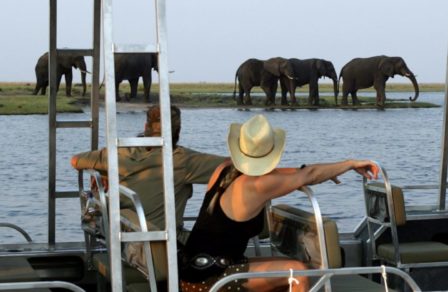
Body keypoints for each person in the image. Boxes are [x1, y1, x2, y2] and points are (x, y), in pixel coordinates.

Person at [179, 114, 379, 292]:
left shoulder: (223, 169)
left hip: (194, 270)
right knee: (298, 272)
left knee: (287, 265)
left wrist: (328, 171)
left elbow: (296, 173)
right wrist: (350, 163)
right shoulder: (257, 184)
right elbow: (307, 175)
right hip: (209, 281)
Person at [71, 105, 225, 243]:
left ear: (146, 126)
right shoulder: (182, 160)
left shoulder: (121, 152)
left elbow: (76, 160)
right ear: (178, 131)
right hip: (164, 244)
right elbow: (234, 167)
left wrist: (103, 171)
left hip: (126, 243)